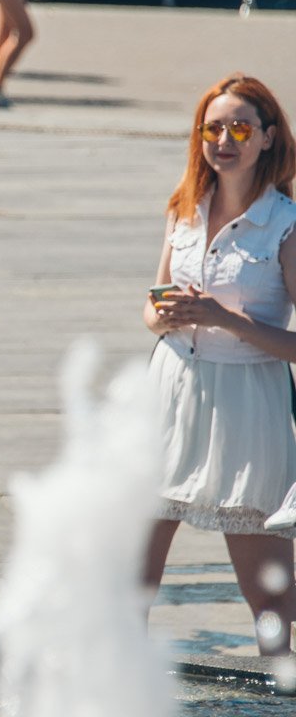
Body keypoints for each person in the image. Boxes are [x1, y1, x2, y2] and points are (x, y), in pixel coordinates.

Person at [143, 74, 296, 655]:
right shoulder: (183, 208)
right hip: (171, 393)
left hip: (248, 407)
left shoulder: (285, 224)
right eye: (212, 128)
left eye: (239, 128)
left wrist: (224, 318)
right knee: (131, 582)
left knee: (272, 607)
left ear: (267, 138)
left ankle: (279, 693)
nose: (224, 140)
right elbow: (151, 305)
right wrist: (165, 318)